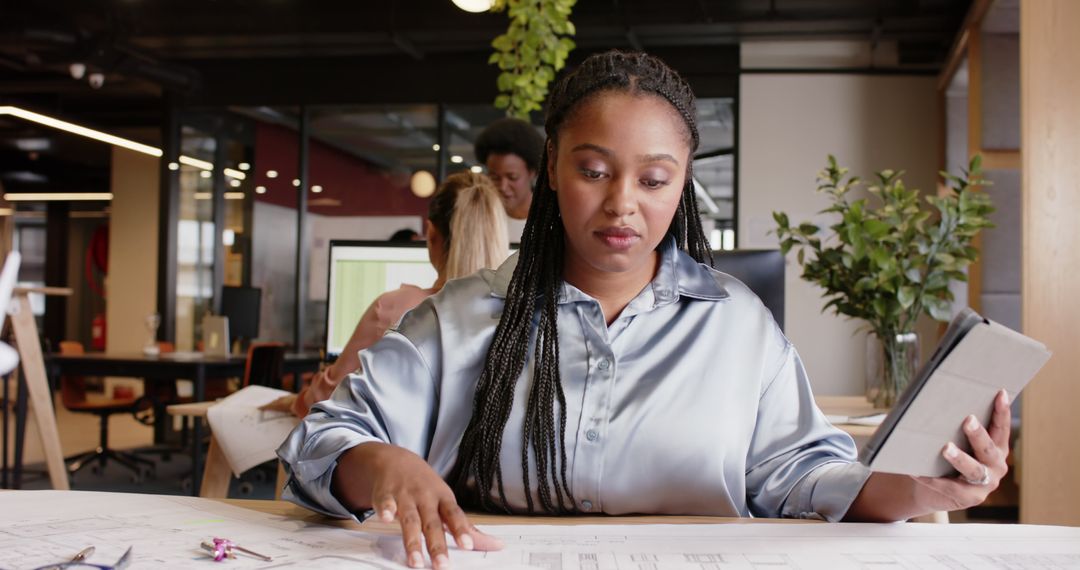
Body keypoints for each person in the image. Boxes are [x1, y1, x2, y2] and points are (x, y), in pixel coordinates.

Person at [279, 51, 1012, 570]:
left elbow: (802, 476)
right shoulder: (467, 316)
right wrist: (382, 465)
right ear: (553, 174)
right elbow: (324, 440)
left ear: (683, 184)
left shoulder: (736, 324)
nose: (622, 202)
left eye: (655, 179)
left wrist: (922, 487)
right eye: (593, 171)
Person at [287, 172, 509, 418]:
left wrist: (293, 401)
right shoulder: (522, 313)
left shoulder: (399, 309)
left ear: (431, 234)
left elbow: (326, 401)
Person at [473, 116, 545, 240]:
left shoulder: (548, 222)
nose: (503, 186)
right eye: (494, 177)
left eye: (512, 177)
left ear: (532, 173)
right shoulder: (479, 220)